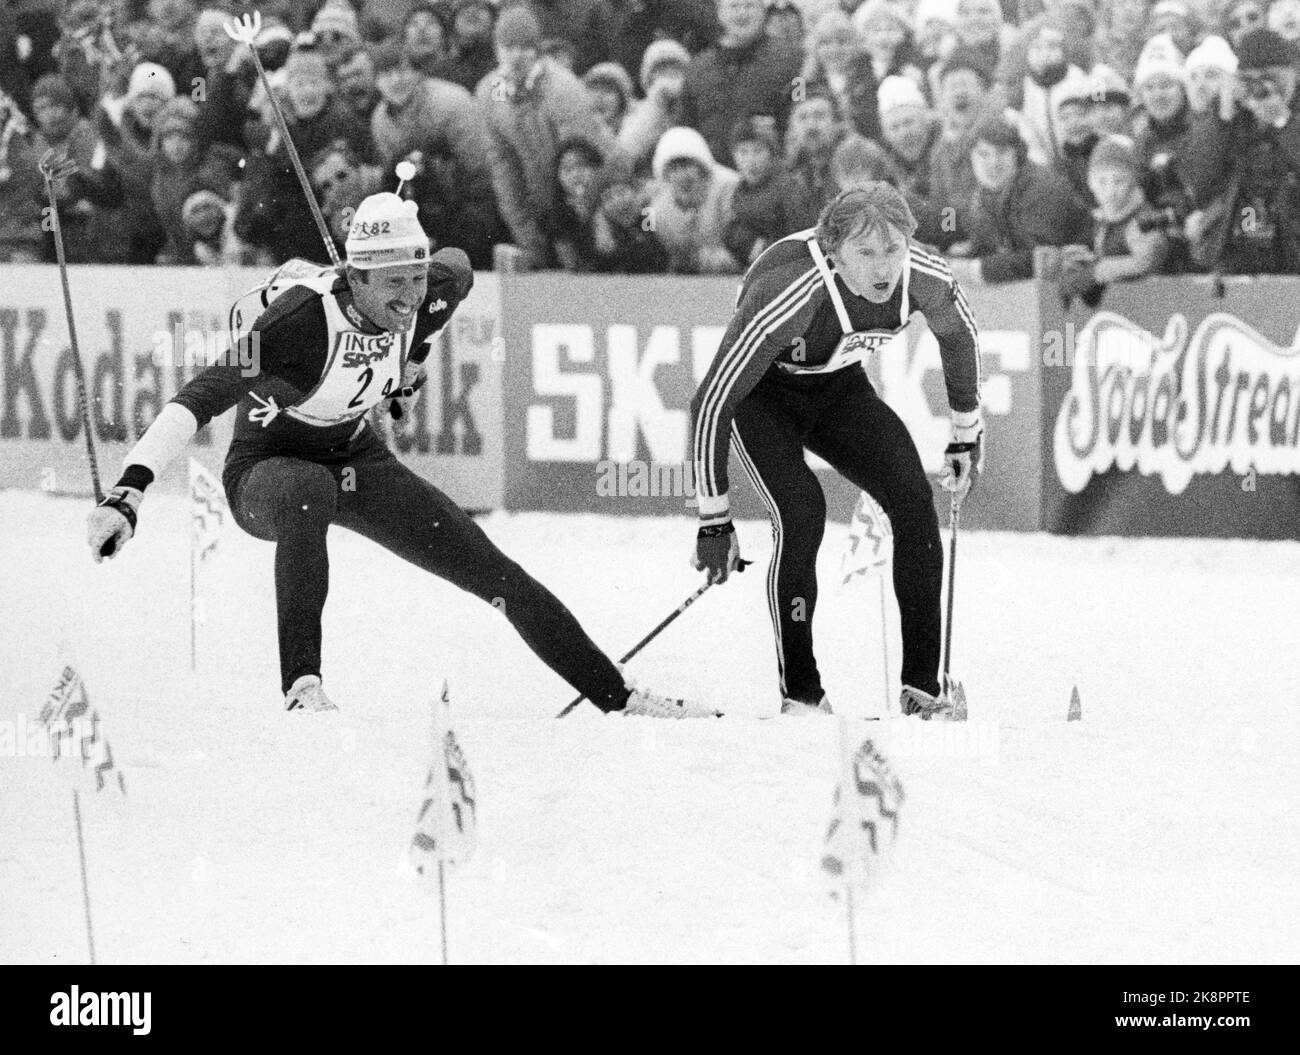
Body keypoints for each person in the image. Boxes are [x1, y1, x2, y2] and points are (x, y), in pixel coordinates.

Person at [86, 191, 717, 721]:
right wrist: (128, 494)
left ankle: (619, 697)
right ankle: (303, 688)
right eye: (392, 284)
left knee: (494, 573)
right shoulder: (299, 324)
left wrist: (411, 363)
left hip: (356, 457)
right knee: (308, 491)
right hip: (266, 468)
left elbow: (458, 269)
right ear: (354, 278)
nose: (410, 297)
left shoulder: (425, 293)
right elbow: (194, 401)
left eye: (415, 279)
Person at [688, 182, 983, 719]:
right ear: (832, 251)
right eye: (865, 253)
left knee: (914, 499)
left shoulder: (926, 276)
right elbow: (710, 401)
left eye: (893, 249)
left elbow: (959, 336)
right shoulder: (792, 290)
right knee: (803, 514)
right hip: (764, 398)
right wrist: (714, 519)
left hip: (837, 388)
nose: (883, 268)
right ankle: (801, 693)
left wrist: (967, 430)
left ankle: (923, 689)